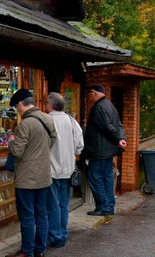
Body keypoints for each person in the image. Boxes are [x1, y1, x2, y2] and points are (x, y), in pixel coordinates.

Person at [7, 89, 57, 257]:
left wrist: (11, 142)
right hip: (44, 175)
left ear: (21, 104)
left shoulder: (25, 124)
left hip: (26, 178)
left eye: (16, 107)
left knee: (27, 215)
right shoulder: (47, 118)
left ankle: (27, 251)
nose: (17, 110)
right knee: (41, 213)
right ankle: (40, 249)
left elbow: (18, 152)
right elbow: (53, 140)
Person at [44, 92, 84, 248]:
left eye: (46, 103)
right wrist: (72, 154)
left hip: (51, 169)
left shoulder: (47, 121)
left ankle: (54, 235)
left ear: (50, 105)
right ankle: (61, 234)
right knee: (62, 204)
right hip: (68, 169)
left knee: (51, 205)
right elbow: (79, 145)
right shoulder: (71, 121)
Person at [83, 84, 127, 216]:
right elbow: (119, 125)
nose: (88, 97)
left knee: (95, 178)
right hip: (108, 151)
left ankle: (103, 206)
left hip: (99, 150)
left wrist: (118, 140)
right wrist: (121, 138)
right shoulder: (110, 105)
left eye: (89, 93)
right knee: (107, 178)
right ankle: (109, 206)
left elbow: (107, 128)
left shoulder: (98, 108)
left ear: (94, 93)